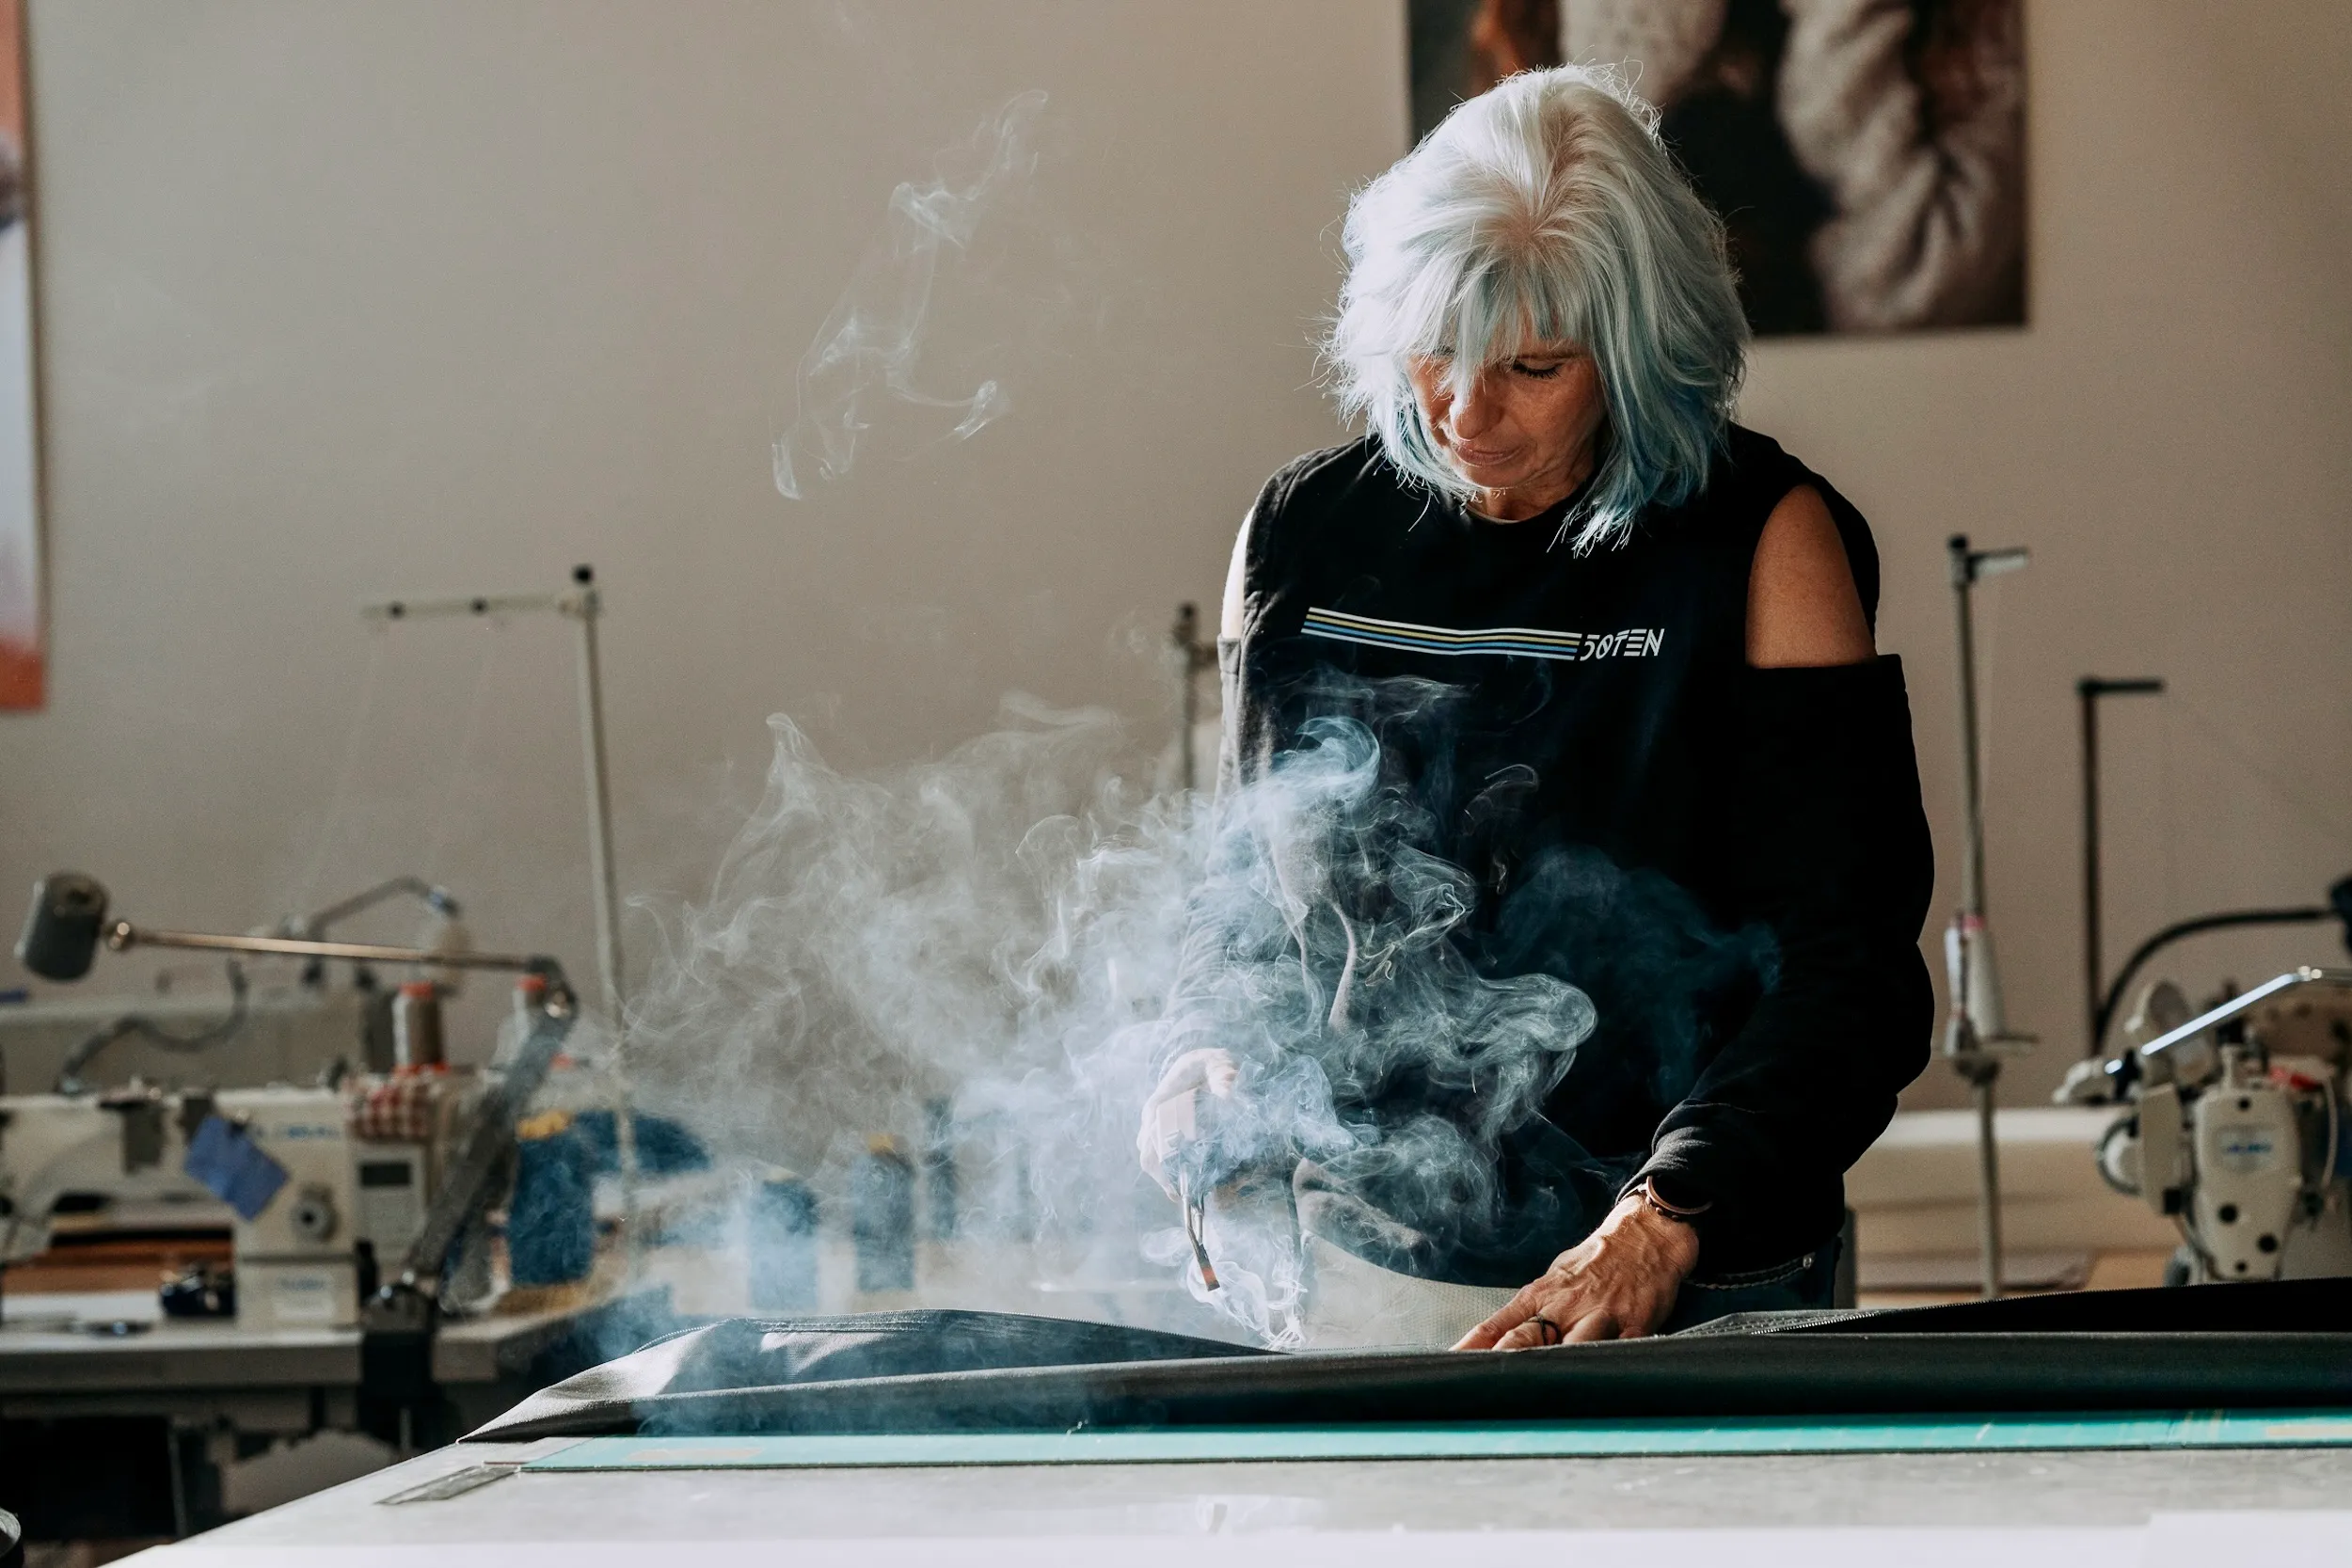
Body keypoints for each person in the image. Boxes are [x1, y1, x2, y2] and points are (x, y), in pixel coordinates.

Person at [1138, 66, 1932, 1348]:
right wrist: (1206, 1057)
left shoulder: (1764, 546)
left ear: (1637, 356)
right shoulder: (1302, 538)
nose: (1464, 413)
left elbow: (1849, 970)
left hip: (1688, 1269)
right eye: (1437, 349)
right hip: (1370, 1266)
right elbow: (1246, 902)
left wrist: (1664, 1217)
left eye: (1534, 366)